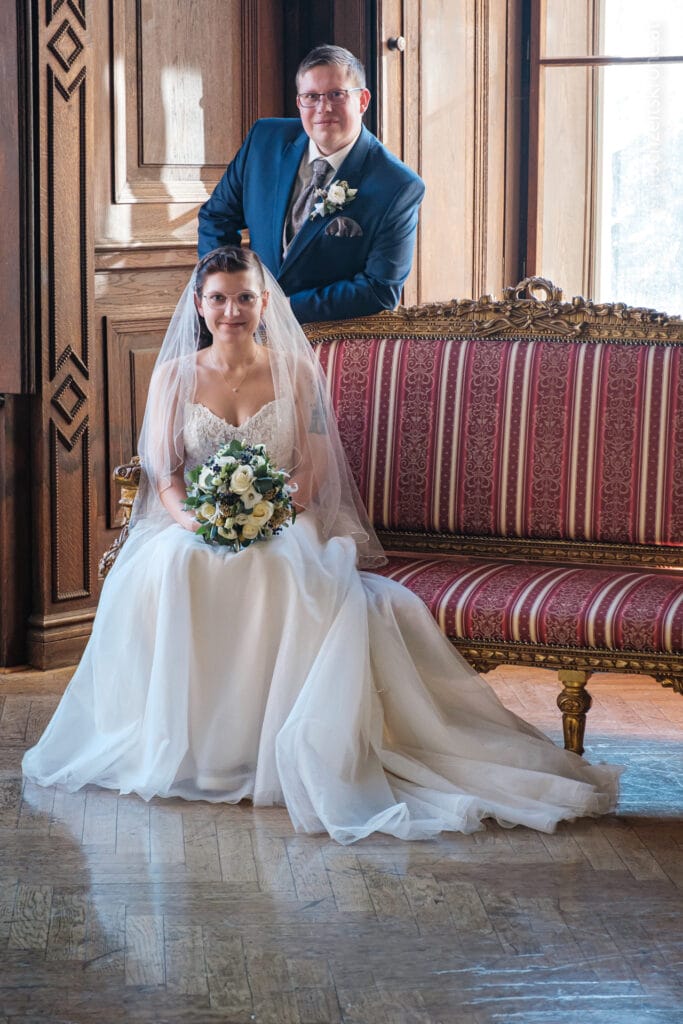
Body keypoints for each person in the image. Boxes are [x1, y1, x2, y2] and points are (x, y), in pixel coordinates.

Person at [22, 246, 620, 845]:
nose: (232, 310)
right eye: (219, 298)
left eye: (245, 297)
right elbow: (167, 476)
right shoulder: (176, 374)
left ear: (263, 302)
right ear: (200, 306)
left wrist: (273, 512)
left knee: (280, 565)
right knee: (179, 567)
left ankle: (270, 743)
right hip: (194, 523)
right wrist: (196, 522)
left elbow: (310, 466)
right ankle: (201, 750)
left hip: (285, 515)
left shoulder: (296, 370)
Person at [197, 45, 425, 324]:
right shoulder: (264, 141)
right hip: (244, 331)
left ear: (363, 100)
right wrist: (228, 292)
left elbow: (380, 289)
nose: (323, 108)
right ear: (299, 102)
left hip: (326, 341)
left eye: (336, 94)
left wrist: (282, 309)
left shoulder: (397, 185)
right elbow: (216, 217)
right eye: (311, 97)